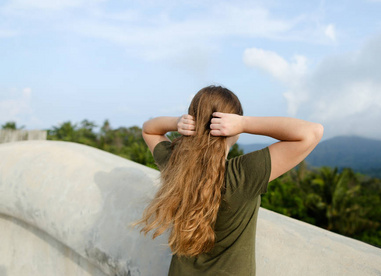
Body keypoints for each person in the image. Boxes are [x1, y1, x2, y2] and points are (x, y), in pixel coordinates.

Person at [134, 85, 323, 276]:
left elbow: (149, 130)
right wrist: (245, 123)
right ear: (233, 128)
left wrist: (176, 122)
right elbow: (312, 132)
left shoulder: (175, 165)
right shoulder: (242, 175)